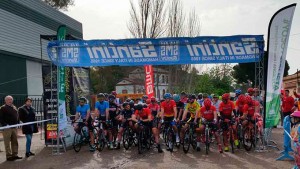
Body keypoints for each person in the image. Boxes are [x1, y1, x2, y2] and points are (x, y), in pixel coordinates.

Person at [0, 95, 22, 161]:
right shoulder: (2, 108)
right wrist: (5, 124)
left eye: (11, 99)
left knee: (15, 141)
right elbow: (0, 118)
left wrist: (18, 122)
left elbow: (17, 116)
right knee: (7, 142)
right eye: (9, 99)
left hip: (14, 127)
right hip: (7, 128)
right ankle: (9, 156)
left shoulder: (14, 107)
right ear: (5, 100)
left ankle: (15, 154)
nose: (10, 101)